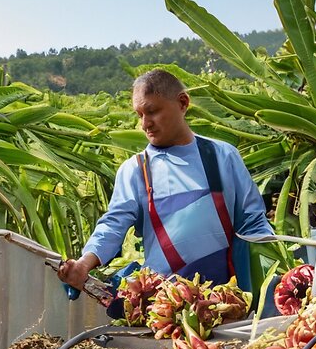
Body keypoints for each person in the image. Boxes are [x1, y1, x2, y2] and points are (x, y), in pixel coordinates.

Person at [58, 69, 274, 293]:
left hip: (232, 300)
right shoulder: (136, 170)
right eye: (139, 114)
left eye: (152, 111)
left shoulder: (222, 156)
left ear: (182, 103)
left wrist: (275, 267)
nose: (145, 124)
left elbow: (254, 223)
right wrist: (85, 263)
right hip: (165, 306)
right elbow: (113, 224)